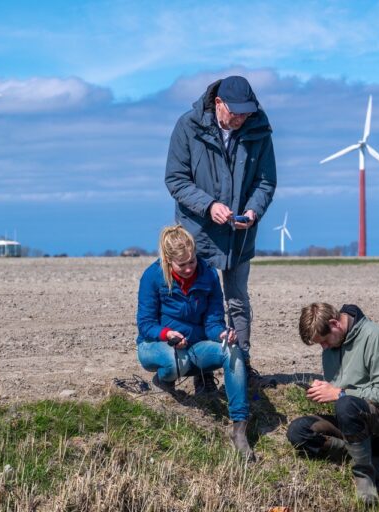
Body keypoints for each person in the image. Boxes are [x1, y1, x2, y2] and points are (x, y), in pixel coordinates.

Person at [165, 75, 276, 387]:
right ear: (218, 103)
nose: (240, 119)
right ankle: (202, 371)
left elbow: (266, 181)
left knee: (238, 301)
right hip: (198, 232)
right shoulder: (188, 127)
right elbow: (176, 179)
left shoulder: (259, 130)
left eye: (246, 113)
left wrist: (253, 211)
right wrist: (209, 205)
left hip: (239, 235)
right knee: (198, 301)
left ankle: (240, 365)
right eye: (235, 112)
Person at [136, 225, 255, 460]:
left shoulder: (208, 274)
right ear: (168, 261)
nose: (190, 268)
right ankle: (163, 380)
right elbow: (146, 324)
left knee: (232, 352)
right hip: (156, 345)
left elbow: (212, 322)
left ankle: (239, 427)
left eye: (192, 261)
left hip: (195, 345)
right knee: (174, 362)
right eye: (182, 265)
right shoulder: (152, 277)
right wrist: (167, 334)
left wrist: (222, 334)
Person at [287, 303, 379, 505]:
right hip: (353, 421)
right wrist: (324, 389)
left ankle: (364, 476)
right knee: (298, 432)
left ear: (335, 324)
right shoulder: (331, 347)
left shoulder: (375, 336)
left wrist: (339, 393)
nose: (324, 347)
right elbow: (342, 391)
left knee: (346, 404)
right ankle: (368, 456)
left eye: (324, 341)